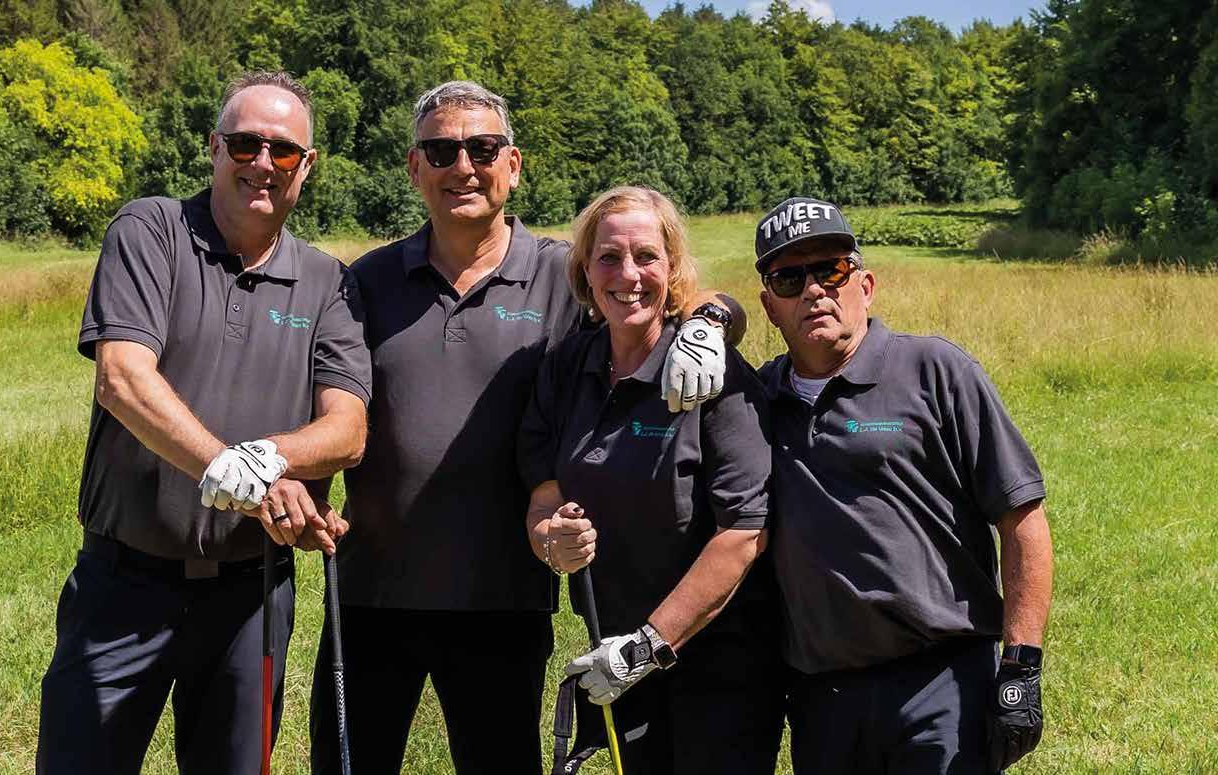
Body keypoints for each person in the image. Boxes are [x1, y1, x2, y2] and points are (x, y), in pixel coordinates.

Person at [309, 81, 733, 775]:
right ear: (414, 167)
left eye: (482, 149)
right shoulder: (368, 279)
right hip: (372, 592)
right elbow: (331, 400)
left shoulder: (566, 274)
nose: (463, 167)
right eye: (441, 151)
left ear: (513, 164)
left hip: (503, 597)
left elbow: (671, 292)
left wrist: (712, 323)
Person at [36, 71, 371, 775]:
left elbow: (347, 429)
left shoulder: (327, 281)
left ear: (307, 165)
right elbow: (123, 378)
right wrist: (229, 468)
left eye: (284, 150)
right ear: (214, 148)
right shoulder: (151, 229)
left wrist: (265, 460)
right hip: (123, 584)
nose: (263, 163)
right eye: (245, 144)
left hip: (250, 596)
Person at [752, 196, 1054, 774]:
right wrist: (711, 319)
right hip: (821, 696)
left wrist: (1021, 667)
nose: (813, 291)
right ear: (770, 306)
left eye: (831, 271)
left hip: (940, 682)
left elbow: (1022, 518)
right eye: (789, 279)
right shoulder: (757, 399)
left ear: (865, 285)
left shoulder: (934, 370)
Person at [517, 186, 784, 774]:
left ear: (673, 268)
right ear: (585, 270)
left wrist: (650, 644)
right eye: (609, 257)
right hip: (615, 651)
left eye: (646, 257)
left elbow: (745, 533)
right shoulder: (567, 367)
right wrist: (552, 541)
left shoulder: (710, 370)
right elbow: (544, 500)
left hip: (718, 661)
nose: (628, 275)